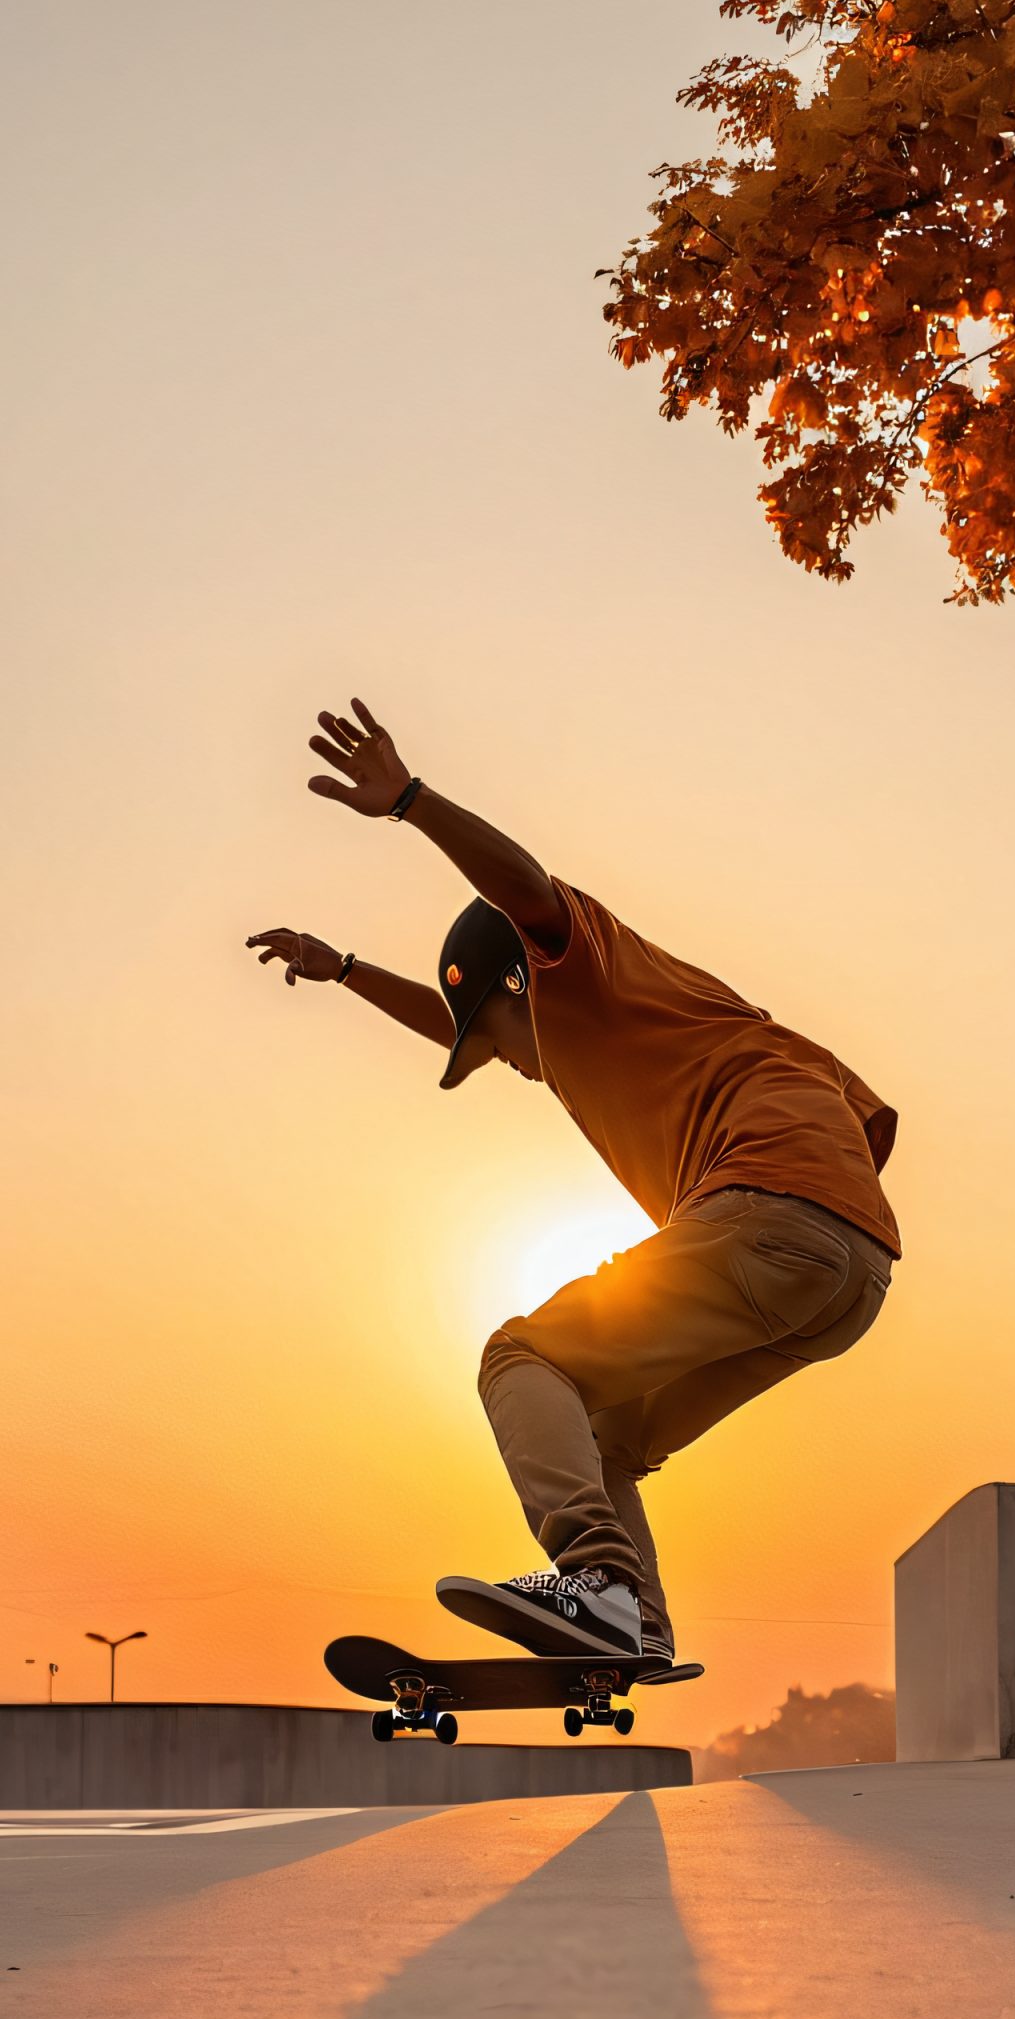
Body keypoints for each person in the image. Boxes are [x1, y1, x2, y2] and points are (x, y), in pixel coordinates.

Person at [248, 697, 900, 1670]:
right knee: (598, 1432)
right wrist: (346, 971)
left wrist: (410, 802)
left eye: (498, 1040)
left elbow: (524, 891)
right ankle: (634, 1623)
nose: (506, 1065)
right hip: (855, 1273)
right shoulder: (668, 1017)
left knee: (521, 1358)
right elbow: (455, 1018)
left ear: (525, 988)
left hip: (765, 1216)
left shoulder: (577, 964)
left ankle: (595, 1584)